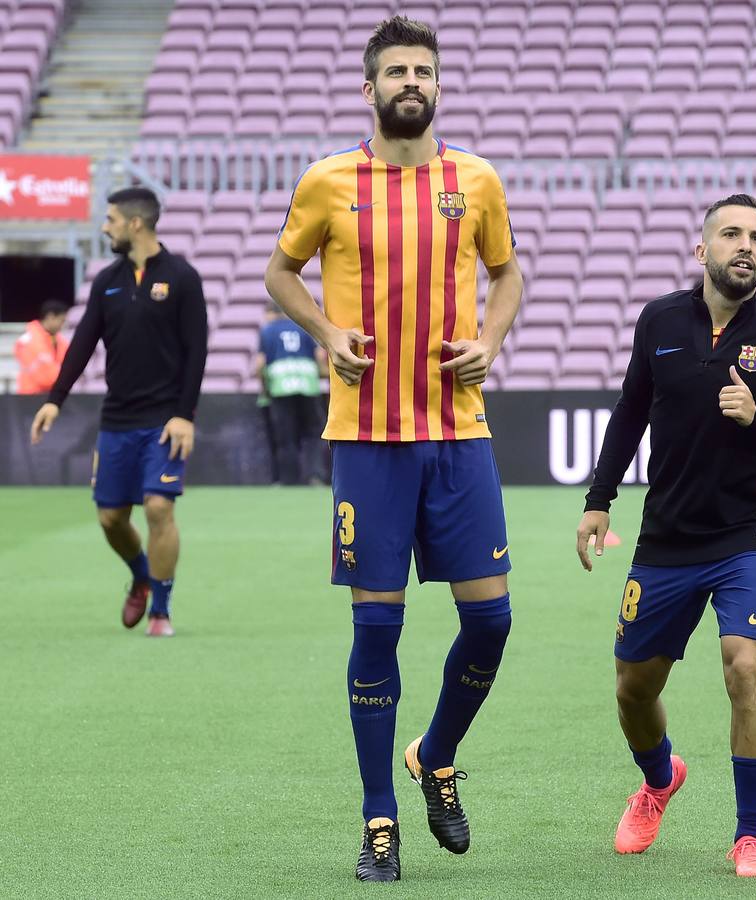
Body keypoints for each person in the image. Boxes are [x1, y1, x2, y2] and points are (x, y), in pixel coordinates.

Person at [264, 16, 523, 883]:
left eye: (424, 69)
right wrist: (325, 330)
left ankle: (436, 755)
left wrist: (490, 337)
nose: (411, 81)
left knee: (491, 619)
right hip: (368, 442)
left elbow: (507, 273)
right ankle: (380, 815)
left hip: (458, 433)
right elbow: (279, 272)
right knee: (378, 631)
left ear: (438, 85)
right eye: (396, 71)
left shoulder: (475, 180)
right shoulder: (329, 180)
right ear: (368, 88)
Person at [576, 194, 756, 879]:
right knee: (633, 688)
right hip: (665, 535)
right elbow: (631, 410)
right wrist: (599, 500)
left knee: (745, 666)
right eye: (730, 234)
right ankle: (660, 778)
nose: (744, 245)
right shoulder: (659, 320)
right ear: (702, 250)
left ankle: (750, 835)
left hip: (748, 531)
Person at [29, 186, 208, 638]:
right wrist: (55, 400)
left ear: (135, 223)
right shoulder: (105, 280)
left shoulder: (183, 278)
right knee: (111, 518)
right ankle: (142, 573)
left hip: (165, 420)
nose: (104, 226)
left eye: (110, 219)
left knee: (157, 508)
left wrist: (184, 414)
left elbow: (197, 352)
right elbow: (83, 344)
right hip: (117, 419)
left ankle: (161, 612)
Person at [255, 302, 328, 485]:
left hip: (280, 387)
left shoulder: (267, 331)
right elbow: (319, 356)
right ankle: (315, 475)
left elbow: (260, 364)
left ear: (273, 313)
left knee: (286, 437)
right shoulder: (304, 328)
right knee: (313, 435)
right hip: (308, 386)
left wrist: (265, 388)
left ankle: (289, 480)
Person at [15, 299, 70, 394]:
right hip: (30, 395)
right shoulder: (29, 340)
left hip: (52, 395)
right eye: (61, 321)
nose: (62, 325)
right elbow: (45, 376)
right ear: (50, 317)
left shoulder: (61, 341)